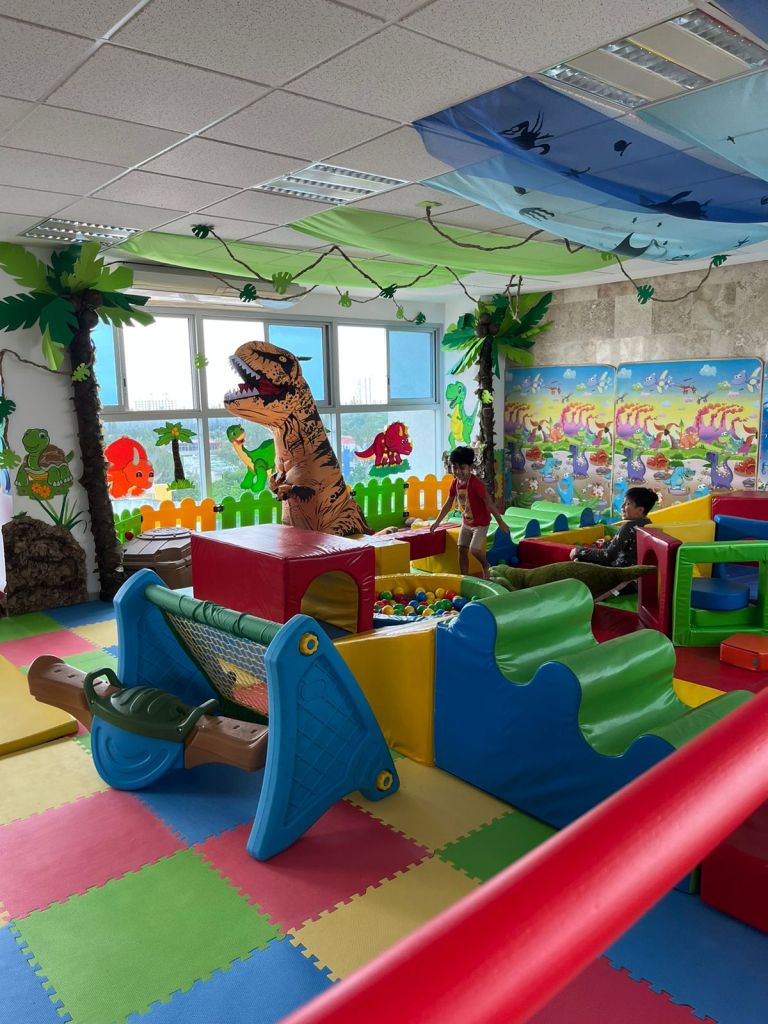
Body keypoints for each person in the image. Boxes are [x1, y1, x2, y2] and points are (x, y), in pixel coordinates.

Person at [431, 446, 509, 578]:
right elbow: (448, 504)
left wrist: (500, 522)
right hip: (467, 521)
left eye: (462, 468)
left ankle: (485, 564)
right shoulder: (455, 483)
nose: (458, 471)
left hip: (481, 523)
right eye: (455, 468)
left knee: (475, 549)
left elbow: (489, 503)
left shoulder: (476, 484)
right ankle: (464, 577)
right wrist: (437, 522)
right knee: (461, 549)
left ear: (471, 467)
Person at [569, 486, 657, 567]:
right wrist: (607, 543)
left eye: (627, 504)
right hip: (635, 570)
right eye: (623, 502)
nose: (622, 506)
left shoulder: (629, 527)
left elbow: (609, 555)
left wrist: (579, 551)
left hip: (621, 571)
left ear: (640, 510)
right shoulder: (648, 524)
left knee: (578, 560)